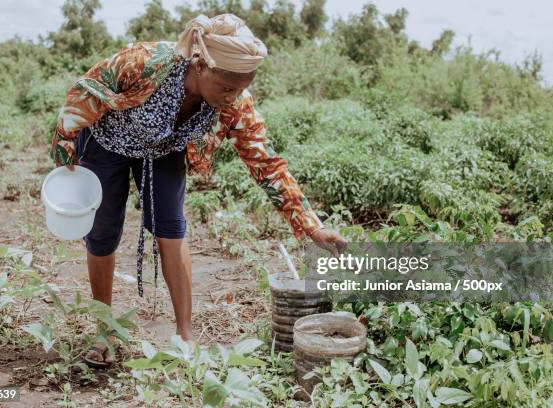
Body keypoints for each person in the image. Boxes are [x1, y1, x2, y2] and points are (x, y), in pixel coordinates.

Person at [50, 13, 348, 368]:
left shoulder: (236, 102)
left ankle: (185, 335)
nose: (233, 97)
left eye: (240, 89)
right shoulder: (144, 64)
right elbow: (83, 92)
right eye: (226, 87)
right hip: (107, 141)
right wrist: (65, 152)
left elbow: (266, 162)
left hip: (164, 151)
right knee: (102, 231)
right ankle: (105, 331)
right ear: (201, 64)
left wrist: (310, 225)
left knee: (171, 226)